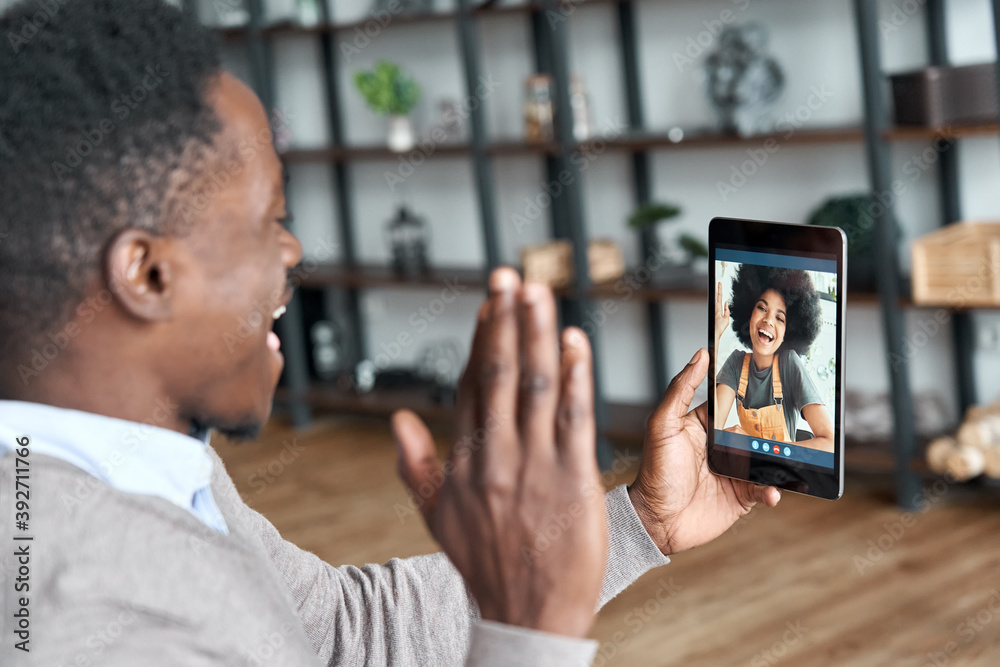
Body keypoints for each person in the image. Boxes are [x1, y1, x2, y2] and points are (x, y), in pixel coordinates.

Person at [0, 1, 780, 664]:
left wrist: (639, 523)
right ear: (147, 275)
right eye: (270, 220)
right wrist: (535, 634)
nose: (293, 251)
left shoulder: (147, 465)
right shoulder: (75, 611)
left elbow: (340, 634)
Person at [714, 263, 834, 451]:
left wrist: (759, 447)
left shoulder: (789, 364)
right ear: (748, 314)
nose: (768, 320)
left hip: (783, 474)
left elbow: (830, 442)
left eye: (780, 318)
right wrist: (715, 337)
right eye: (762, 308)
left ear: (789, 332)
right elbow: (714, 429)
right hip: (747, 472)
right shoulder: (736, 363)